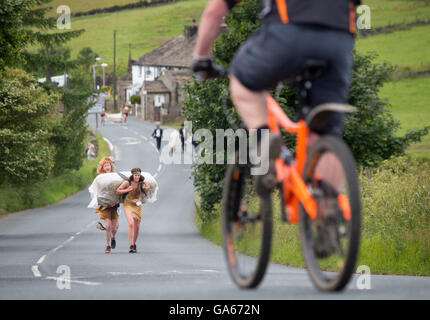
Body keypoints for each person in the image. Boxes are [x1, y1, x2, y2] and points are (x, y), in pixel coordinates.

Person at [191, 0, 361, 193]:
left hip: (289, 32)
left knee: (242, 82)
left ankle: (265, 142)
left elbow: (216, 9)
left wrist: (201, 58)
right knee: (325, 132)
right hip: (340, 40)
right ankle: (330, 212)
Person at [116, 168, 150, 253]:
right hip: (128, 204)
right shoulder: (127, 182)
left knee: (137, 226)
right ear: (132, 175)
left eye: (138, 175)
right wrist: (127, 190)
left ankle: (134, 244)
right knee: (131, 223)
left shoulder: (141, 182)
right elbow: (118, 191)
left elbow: (148, 187)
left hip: (138, 206)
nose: (137, 177)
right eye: (135, 175)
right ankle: (131, 245)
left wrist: (146, 186)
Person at [95, 156, 119, 254]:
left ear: (111, 166)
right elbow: (96, 191)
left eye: (108, 165)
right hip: (104, 205)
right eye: (105, 165)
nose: (107, 167)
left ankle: (113, 237)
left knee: (114, 227)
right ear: (102, 168)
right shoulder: (100, 178)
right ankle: (108, 245)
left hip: (114, 205)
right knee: (108, 226)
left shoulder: (116, 176)